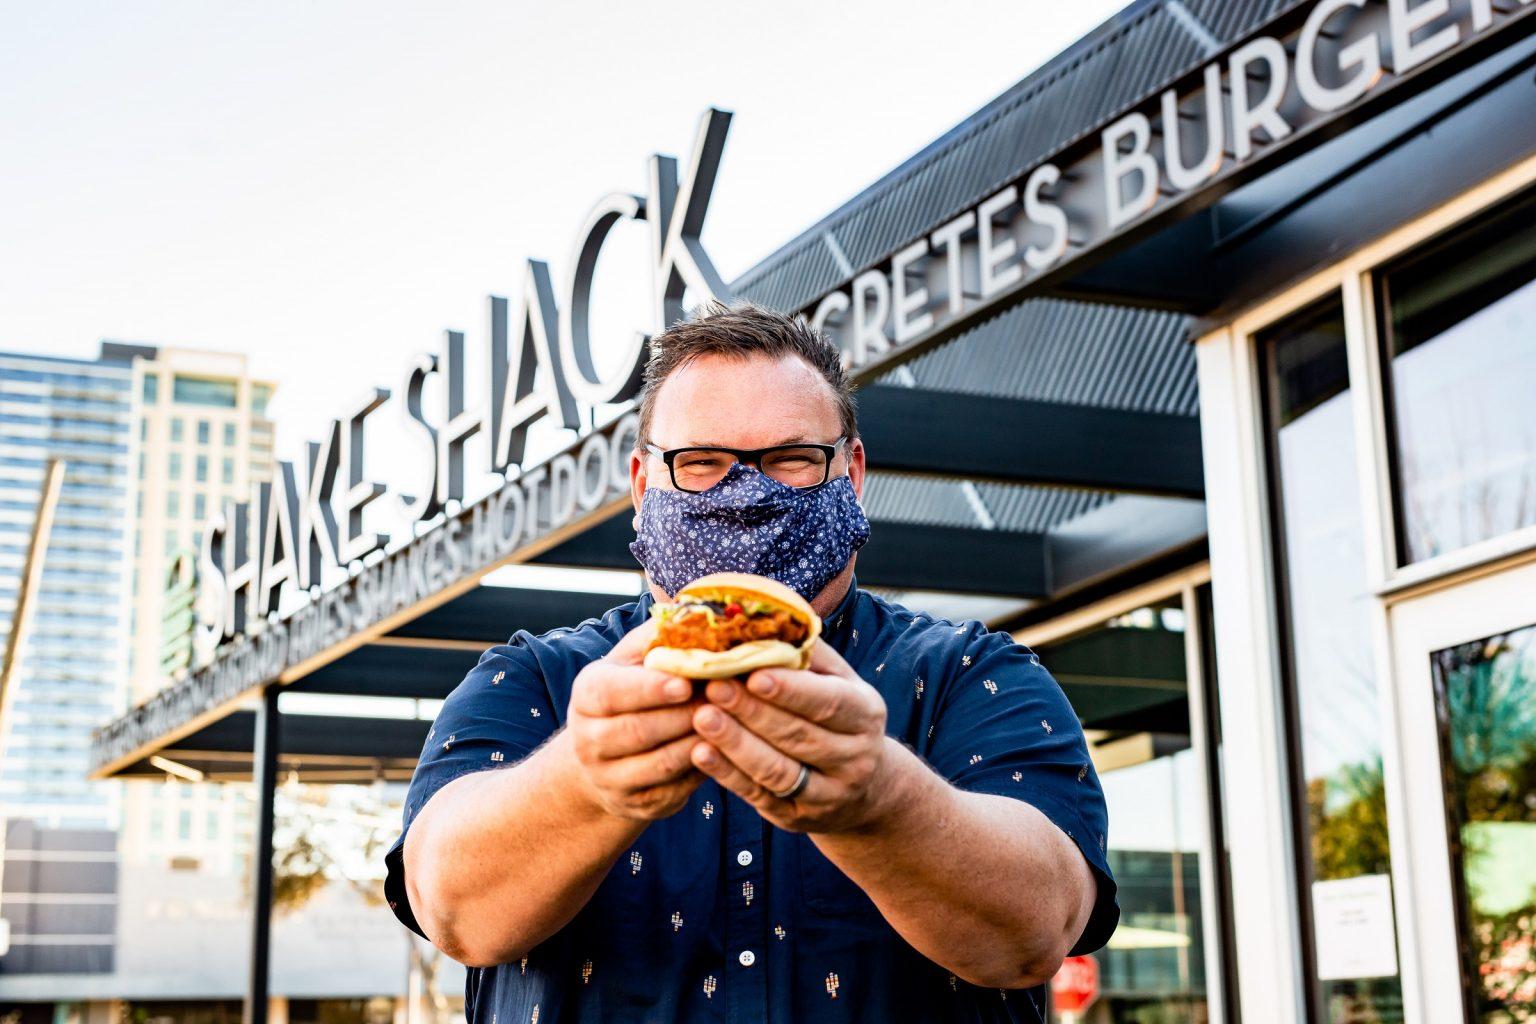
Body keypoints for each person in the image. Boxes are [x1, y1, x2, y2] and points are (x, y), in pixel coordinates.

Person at [383, 300, 1119, 1023]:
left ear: (851, 472)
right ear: (643, 486)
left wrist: (881, 801)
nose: (746, 494)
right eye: (700, 463)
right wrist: (584, 778)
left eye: (791, 458)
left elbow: (1038, 929)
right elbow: (451, 909)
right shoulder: (533, 681)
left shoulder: (974, 676)